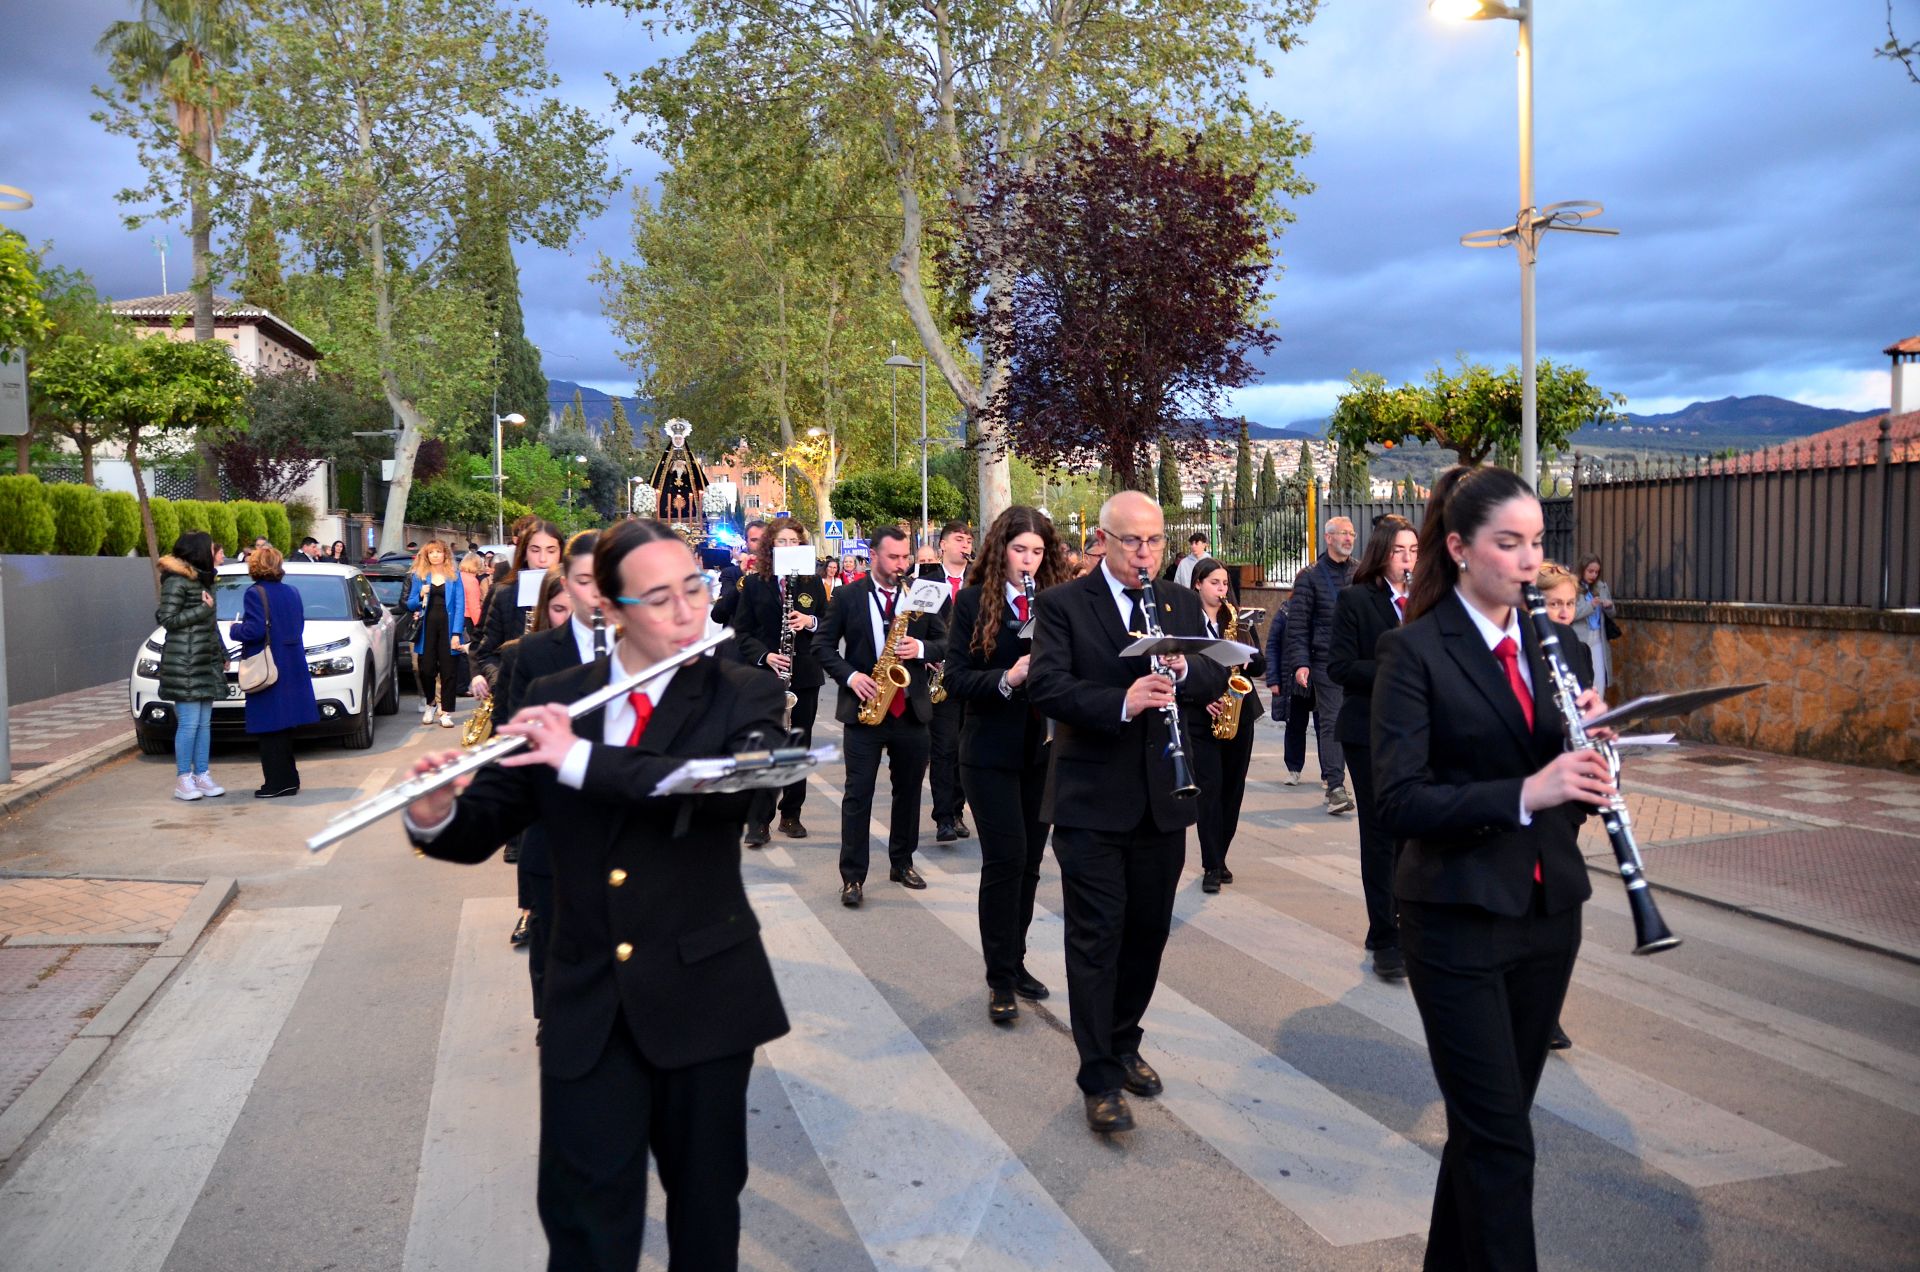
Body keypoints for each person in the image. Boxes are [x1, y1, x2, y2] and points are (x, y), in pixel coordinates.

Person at [403, 518, 788, 1271]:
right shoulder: (556, 693)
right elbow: (488, 822)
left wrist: (579, 758)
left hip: (702, 997)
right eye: (659, 598)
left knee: (706, 1217)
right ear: (608, 608)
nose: (687, 612)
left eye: (695, 589)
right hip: (589, 997)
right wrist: (436, 810)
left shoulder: (742, 690)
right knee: (584, 1226)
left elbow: (724, 789)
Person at [1373, 465, 1612, 1271]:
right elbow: (1399, 801)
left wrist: (1593, 772)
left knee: (1488, 1131)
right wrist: (1528, 790)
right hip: (1455, 920)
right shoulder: (1413, 652)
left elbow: (1564, 792)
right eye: (1508, 544)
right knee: (1504, 1143)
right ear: (1460, 548)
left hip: (1549, 918)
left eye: (1537, 543)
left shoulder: (1560, 645)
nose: (1528, 560)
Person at [1026, 491, 1226, 1134]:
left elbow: (1213, 677)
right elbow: (1049, 686)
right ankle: (1099, 1076)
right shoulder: (1062, 604)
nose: (1145, 554)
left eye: (1156, 542)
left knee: (1148, 933)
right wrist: (1124, 700)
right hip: (1091, 801)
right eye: (1132, 541)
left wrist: (1184, 672)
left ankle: (1124, 1037)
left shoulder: (1178, 600)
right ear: (1103, 540)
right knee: (1095, 937)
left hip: (1163, 798)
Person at [944, 506, 1069, 1023]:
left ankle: (1015, 961)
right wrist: (1009, 677)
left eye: (1038, 552)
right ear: (1001, 551)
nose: (1030, 561)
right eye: (1020, 550)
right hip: (989, 753)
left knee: (1032, 864)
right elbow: (954, 679)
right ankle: (998, 977)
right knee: (1006, 860)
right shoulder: (974, 603)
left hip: (1041, 751)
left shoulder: (1057, 604)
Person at [815, 525, 946, 906]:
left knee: (909, 792)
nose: (901, 564)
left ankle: (901, 862)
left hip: (910, 709)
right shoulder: (847, 595)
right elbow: (823, 646)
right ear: (873, 555)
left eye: (905, 557)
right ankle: (852, 877)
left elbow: (945, 641)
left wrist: (920, 646)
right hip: (865, 709)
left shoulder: (919, 595)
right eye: (894, 557)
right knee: (858, 794)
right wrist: (851, 677)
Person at [1327, 514, 1417, 979]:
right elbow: (1339, 667)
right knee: (1380, 834)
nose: (1408, 560)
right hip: (1368, 732)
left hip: (1417, 734)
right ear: (1382, 554)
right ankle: (1385, 935)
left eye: (1415, 551)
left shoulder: (1426, 602)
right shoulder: (1355, 600)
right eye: (1400, 551)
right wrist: (1394, 670)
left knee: (1411, 831)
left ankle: (1400, 920)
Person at [730, 517, 828, 845]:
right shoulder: (755, 583)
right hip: (767, 676)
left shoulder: (812, 582)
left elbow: (828, 622)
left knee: (798, 744)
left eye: (793, 542)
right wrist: (766, 656)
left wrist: (810, 621)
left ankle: (791, 814)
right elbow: (741, 632)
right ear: (771, 547)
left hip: (805, 675)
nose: (788, 547)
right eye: (781, 542)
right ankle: (759, 820)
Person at [1187, 557, 1266, 894]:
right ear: (1197, 585)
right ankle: (1210, 863)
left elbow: (1260, 665)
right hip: (1201, 717)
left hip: (1238, 714)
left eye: (1224, 584)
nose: (1221, 590)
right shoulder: (1186, 623)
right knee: (1209, 790)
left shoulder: (1237, 620)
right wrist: (1200, 696)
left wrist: (1247, 658)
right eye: (1214, 583)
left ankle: (1221, 855)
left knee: (1232, 790)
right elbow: (1177, 668)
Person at [227, 544, 319, 798]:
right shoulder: (292, 592)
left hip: (269, 666)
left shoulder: (255, 593)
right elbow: (297, 624)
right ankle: (289, 779)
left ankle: (277, 783)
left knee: (268, 729)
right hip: (291, 662)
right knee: (284, 727)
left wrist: (235, 629)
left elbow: (254, 631)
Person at [1284, 516, 1358, 815]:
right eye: (1343, 533)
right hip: (1324, 661)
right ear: (1328, 538)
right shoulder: (1310, 576)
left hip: (1358, 659)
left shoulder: (1361, 571)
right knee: (1332, 720)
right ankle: (1336, 786)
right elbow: (1298, 625)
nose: (1349, 538)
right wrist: (1301, 663)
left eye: (1352, 533)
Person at [156, 530, 229, 802]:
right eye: (212, 549)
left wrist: (221, 651)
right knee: (189, 723)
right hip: (184, 662)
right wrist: (202, 610)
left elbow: (210, 624)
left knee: (204, 724)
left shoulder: (204, 581)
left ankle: (202, 774)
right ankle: (183, 779)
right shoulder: (177, 581)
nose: (215, 553)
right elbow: (167, 618)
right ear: (199, 551)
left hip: (205, 659)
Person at [916, 519, 973, 842]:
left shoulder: (979, 581)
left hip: (973, 673)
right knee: (944, 748)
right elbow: (916, 624)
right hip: (940, 674)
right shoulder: (929, 581)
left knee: (966, 746)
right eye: (959, 539)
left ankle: (958, 809)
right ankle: (944, 818)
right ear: (943, 546)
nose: (966, 545)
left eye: (968, 540)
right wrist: (928, 652)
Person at [470, 520, 564, 699]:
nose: (543, 559)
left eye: (551, 551)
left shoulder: (573, 592)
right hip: (514, 697)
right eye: (535, 550)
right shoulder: (504, 592)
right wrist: (503, 684)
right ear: (525, 553)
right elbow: (486, 650)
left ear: (561, 553)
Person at [406, 540, 468, 729]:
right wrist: (420, 596)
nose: (434, 555)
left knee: (449, 671)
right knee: (426, 669)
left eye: (438, 552)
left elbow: (459, 605)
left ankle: (446, 711)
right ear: (426, 555)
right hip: (427, 629)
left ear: (445, 554)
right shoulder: (420, 576)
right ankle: (430, 704)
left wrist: (457, 633)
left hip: (448, 628)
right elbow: (409, 604)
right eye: (431, 552)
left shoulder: (454, 576)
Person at [1264, 604, 1312, 784]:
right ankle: (1293, 768)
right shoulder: (1284, 612)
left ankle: (1330, 774)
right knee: (1295, 724)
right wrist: (1274, 679)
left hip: (1319, 677)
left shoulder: (1324, 610)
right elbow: (1273, 646)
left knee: (1326, 726)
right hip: (1292, 677)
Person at [1573, 554, 1615, 701]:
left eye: (1596, 572)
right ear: (1582, 569)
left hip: (1598, 638)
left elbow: (1612, 613)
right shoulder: (1573, 587)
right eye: (1590, 571)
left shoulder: (1601, 586)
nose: (1593, 575)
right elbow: (1572, 614)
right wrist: (1591, 605)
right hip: (1580, 638)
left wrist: (1609, 606)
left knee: (1599, 679)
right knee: (1581, 679)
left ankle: (1597, 715)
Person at [710, 520, 764, 626]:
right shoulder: (731, 573)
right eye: (754, 540)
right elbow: (718, 615)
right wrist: (745, 578)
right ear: (746, 542)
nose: (760, 545)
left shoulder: (779, 573)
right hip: (738, 638)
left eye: (764, 540)